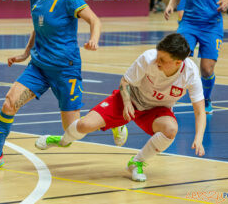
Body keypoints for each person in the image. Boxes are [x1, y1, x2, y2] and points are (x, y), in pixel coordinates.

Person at [0, 0, 102, 170]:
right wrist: (25, 53)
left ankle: (111, 122)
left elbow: (94, 20)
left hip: (65, 69)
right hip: (39, 68)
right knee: (9, 103)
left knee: (74, 131)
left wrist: (94, 39)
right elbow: (38, 28)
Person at [36, 33, 207, 182]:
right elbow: (125, 82)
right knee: (84, 126)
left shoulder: (190, 74)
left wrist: (198, 138)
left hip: (156, 110)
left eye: (163, 60)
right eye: (158, 56)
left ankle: (137, 163)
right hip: (129, 99)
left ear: (178, 62)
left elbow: (199, 111)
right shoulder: (148, 58)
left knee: (170, 129)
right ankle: (62, 141)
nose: (157, 61)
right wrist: (126, 103)